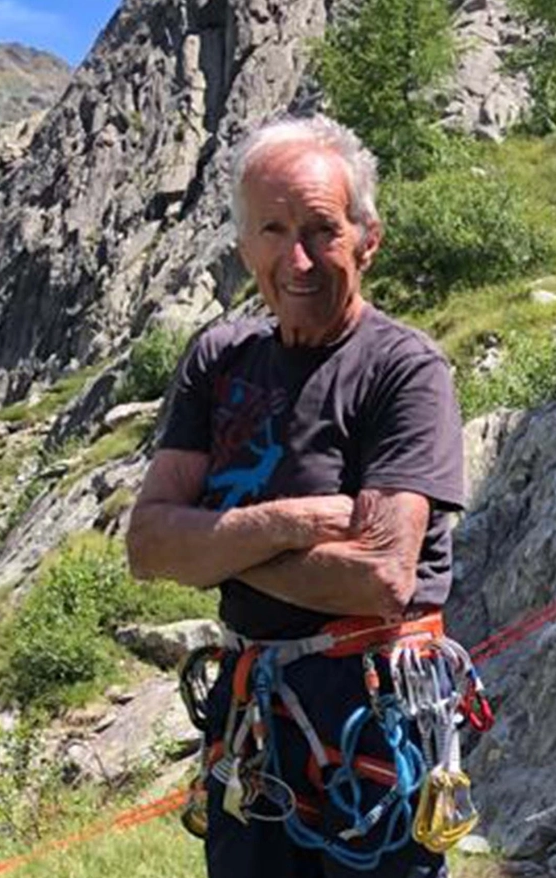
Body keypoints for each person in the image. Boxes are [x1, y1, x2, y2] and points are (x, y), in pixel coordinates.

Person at [125, 114, 465, 878]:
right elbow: (146, 546)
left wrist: (210, 548)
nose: (298, 257)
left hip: (372, 715)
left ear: (367, 238)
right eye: (272, 230)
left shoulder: (404, 371)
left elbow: (380, 578)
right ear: (245, 247)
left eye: (322, 228)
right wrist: (290, 523)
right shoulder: (220, 357)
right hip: (252, 717)